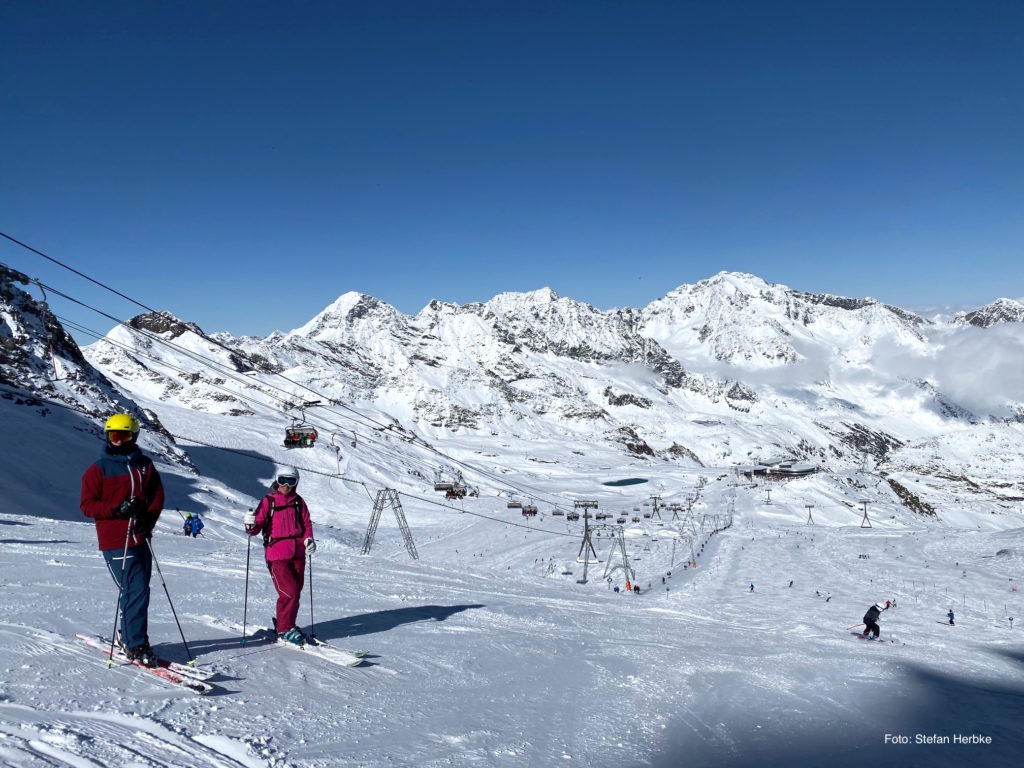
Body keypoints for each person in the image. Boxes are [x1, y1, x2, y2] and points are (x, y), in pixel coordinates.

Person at [80, 413, 165, 667]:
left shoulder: (145, 465)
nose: (118, 441)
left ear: (134, 436)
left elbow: (157, 495)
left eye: (123, 436)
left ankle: (130, 636)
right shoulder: (98, 470)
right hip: (115, 539)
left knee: (140, 591)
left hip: (140, 536)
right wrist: (118, 508)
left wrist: (148, 519)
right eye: (113, 436)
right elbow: (87, 506)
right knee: (135, 589)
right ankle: (135, 643)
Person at [244, 466, 316, 646]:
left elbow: (306, 524)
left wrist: (309, 540)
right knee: (288, 592)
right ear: (277, 480)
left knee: (295, 593)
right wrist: (250, 524)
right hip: (276, 553)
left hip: (298, 552)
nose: (286, 485)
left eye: (290, 481)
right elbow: (255, 528)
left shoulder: (299, 502)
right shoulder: (269, 501)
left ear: (296, 482)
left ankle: (288, 625)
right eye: (282, 480)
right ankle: (284, 630)